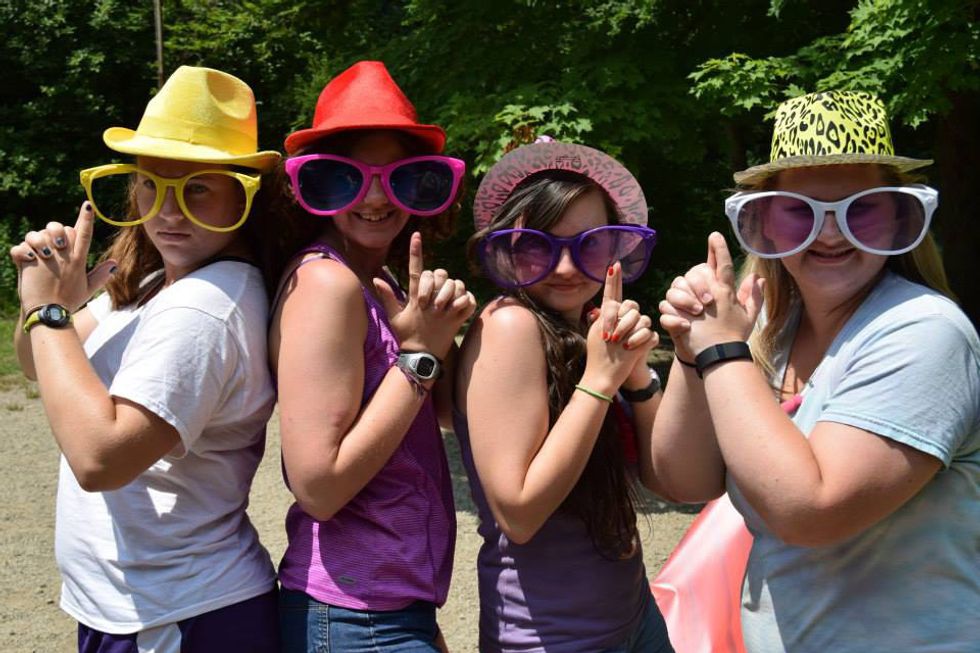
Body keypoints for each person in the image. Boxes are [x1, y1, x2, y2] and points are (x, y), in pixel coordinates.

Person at [654, 90, 980, 652]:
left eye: (861, 208)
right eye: (801, 211)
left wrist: (722, 351)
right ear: (765, 222)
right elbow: (683, 481)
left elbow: (810, 512)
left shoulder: (925, 331)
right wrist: (693, 349)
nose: (831, 233)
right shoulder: (768, 331)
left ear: (899, 217)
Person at [9, 65, 282, 652]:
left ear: (245, 195)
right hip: (143, 608)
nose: (169, 211)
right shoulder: (156, 280)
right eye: (151, 185)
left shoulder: (203, 307)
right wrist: (51, 303)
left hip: (182, 615)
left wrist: (48, 311)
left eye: (197, 188)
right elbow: (37, 364)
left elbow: (101, 459)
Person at [269, 60, 475, 651]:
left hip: (386, 607)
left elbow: (439, 414)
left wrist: (436, 334)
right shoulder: (326, 286)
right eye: (346, 179)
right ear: (312, 186)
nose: (378, 196)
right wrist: (419, 358)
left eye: (401, 178)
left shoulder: (377, 282)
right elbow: (319, 487)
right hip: (355, 615)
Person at [455, 137, 675, 652]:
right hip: (553, 638)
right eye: (538, 245)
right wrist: (601, 380)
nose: (566, 267)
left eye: (589, 244)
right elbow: (519, 513)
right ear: (506, 249)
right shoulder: (510, 326)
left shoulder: (583, 331)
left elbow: (669, 480)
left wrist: (637, 377)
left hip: (634, 617)